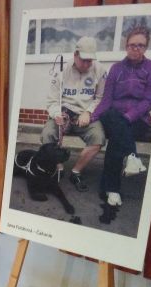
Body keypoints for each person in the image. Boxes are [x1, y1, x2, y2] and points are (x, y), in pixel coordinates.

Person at [91, 26, 151, 207]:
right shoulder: (116, 68)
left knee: (116, 138)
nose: (135, 48)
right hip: (113, 116)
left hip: (138, 120)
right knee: (113, 118)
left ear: (146, 47)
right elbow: (107, 99)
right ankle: (132, 158)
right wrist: (93, 116)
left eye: (140, 45)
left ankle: (110, 188)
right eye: (132, 45)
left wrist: (129, 116)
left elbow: (149, 100)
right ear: (126, 46)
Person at [42, 36, 107, 192]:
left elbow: (100, 98)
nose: (87, 64)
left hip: (85, 114)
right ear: (75, 54)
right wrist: (56, 114)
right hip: (64, 113)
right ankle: (58, 166)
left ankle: (76, 171)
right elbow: (52, 100)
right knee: (47, 134)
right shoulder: (62, 70)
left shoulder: (100, 70)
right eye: (84, 60)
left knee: (98, 138)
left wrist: (88, 112)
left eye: (90, 60)